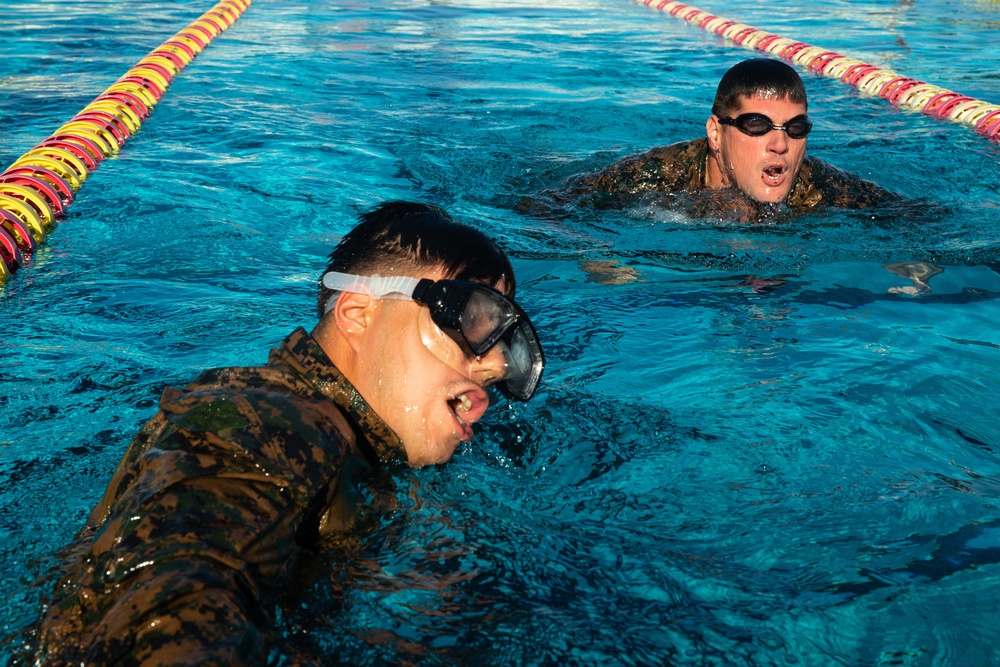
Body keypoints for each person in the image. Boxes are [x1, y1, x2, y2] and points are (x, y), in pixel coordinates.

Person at [16, 201, 545, 665]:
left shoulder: (334, 436)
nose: (495, 365)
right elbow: (170, 594)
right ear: (357, 313)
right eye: (468, 319)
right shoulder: (265, 418)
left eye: (503, 344)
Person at [524, 57, 902, 223]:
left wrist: (913, 265)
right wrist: (598, 253)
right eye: (757, 125)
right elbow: (541, 208)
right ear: (716, 133)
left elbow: (918, 219)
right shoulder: (658, 174)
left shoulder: (817, 186)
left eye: (795, 128)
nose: (780, 145)